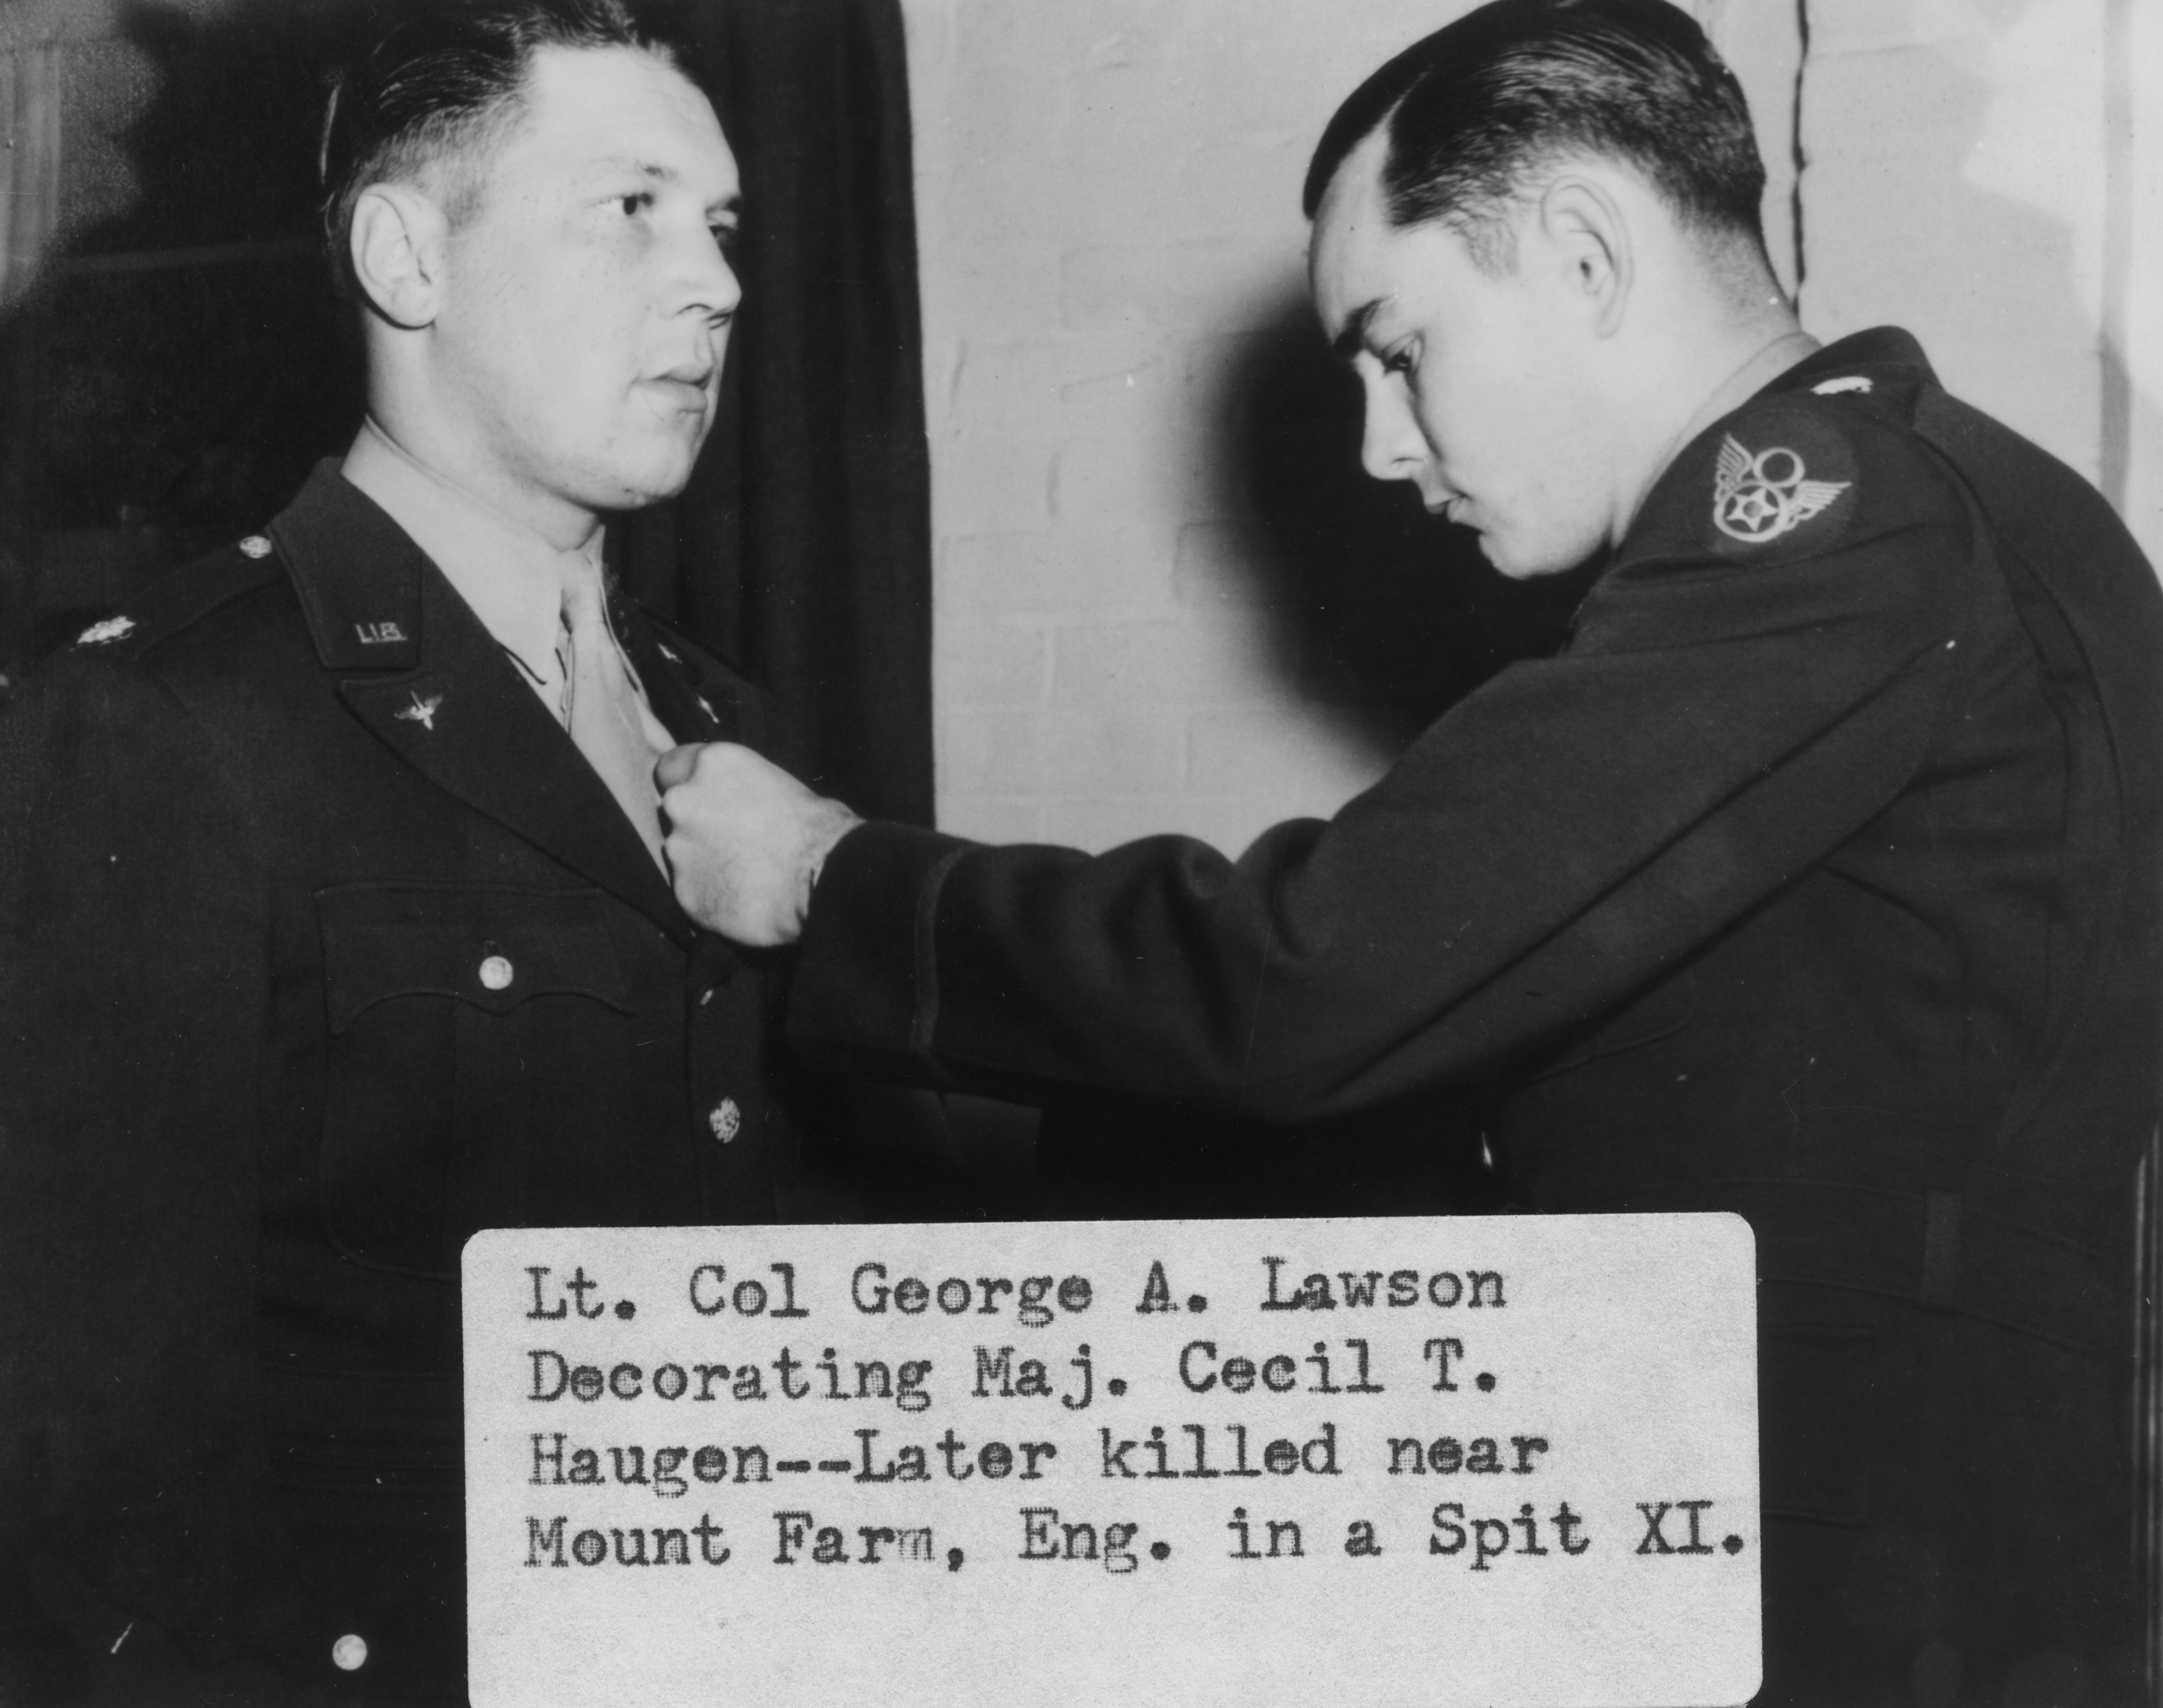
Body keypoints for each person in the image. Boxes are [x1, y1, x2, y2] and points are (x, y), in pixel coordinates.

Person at [656, 0, 2163, 1700]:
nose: (1379, 444)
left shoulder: (1834, 531)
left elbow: (1317, 973)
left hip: (1850, 1603)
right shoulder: (1922, 510)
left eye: (1399, 347)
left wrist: (829, 878)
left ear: (1585, 256)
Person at [0, 3, 845, 1700]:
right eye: (631, 208)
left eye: (721, 227)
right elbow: (77, 1476)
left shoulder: (727, 728)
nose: (716, 283)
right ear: (407, 255)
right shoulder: (160, 725)